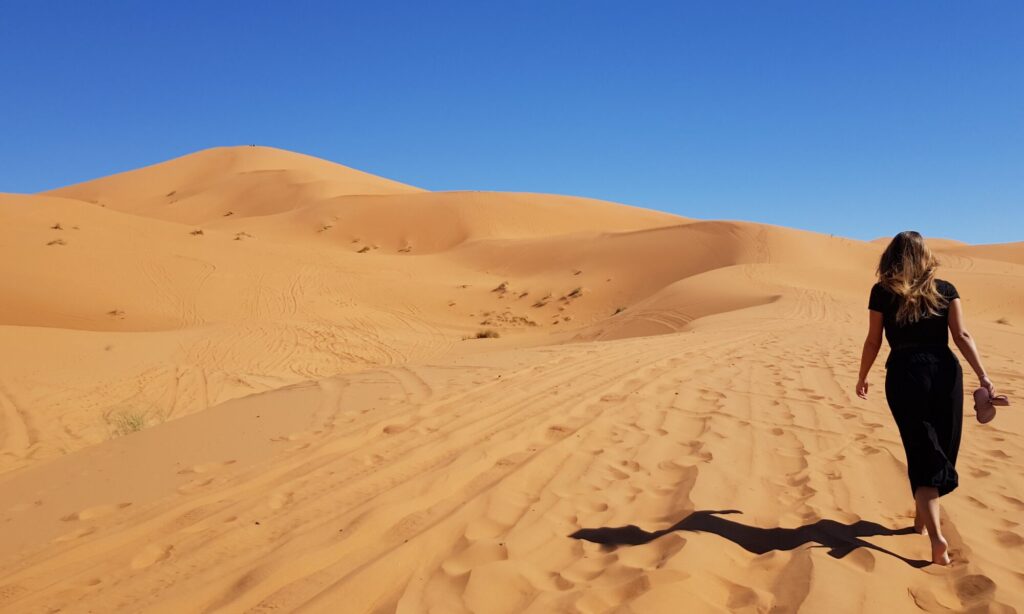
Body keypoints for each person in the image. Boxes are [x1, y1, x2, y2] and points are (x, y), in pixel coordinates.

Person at [855, 230, 996, 566]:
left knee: (921, 448)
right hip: (945, 372)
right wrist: (983, 375)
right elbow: (961, 335)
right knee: (942, 449)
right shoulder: (945, 290)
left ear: (892, 256)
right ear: (926, 256)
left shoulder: (882, 292)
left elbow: (873, 340)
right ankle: (930, 527)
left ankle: (931, 532)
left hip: (904, 373)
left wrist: (862, 375)